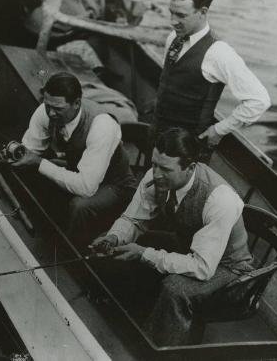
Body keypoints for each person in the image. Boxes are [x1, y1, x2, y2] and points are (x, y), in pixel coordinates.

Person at [91, 127, 254, 346]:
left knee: (174, 288)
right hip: (191, 248)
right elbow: (134, 220)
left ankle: (159, 349)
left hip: (228, 270)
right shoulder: (156, 177)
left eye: (165, 169)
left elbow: (203, 268)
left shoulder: (220, 199)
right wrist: (114, 237)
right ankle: (129, 316)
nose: (156, 174)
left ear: (191, 168)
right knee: (129, 241)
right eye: (154, 164)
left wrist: (145, 254)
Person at [13, 72, 137, 247]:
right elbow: (29, 152)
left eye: (58, 109)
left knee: (79, 206)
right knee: (31, 169)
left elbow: (86, 188)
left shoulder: (102, 125)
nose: (51, 113)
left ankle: (71, 251)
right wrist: (21, 156)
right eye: (47, 106)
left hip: (116, 185)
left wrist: (39, 163)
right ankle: (37, 228)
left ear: (77, 103)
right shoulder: (47, 111)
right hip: (79, 171)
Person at [154, 0, 270, 150]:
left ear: (203, 12)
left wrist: (219, 130)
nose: (172, 21)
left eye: (181, 15)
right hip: (158, 133)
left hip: (187, 148)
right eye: (171, 12)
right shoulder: (173, 37)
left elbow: (259, 100)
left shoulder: (219, 53)